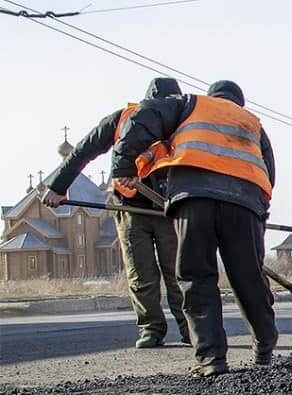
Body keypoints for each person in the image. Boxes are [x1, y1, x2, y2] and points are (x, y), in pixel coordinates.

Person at [112, 80, 277, 378]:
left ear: (212, 96)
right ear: (239, 101)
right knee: (249, 278)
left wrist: (123, 165)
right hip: (244, 204)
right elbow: (269, 173)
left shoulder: (189, 104)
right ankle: (264, 348)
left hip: (193, 201)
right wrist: (259, 217)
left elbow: (143, 116)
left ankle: (212, 360)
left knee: (196, 278)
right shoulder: (252, 123)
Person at [42, 78, 190, 349]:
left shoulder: (185, 121)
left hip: (169, 209)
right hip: (130, 206)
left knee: (178, 272)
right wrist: (58, 186)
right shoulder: (122, 118)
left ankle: (191, 330)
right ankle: (151, 330)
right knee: (141, 272)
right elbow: (84, 149)